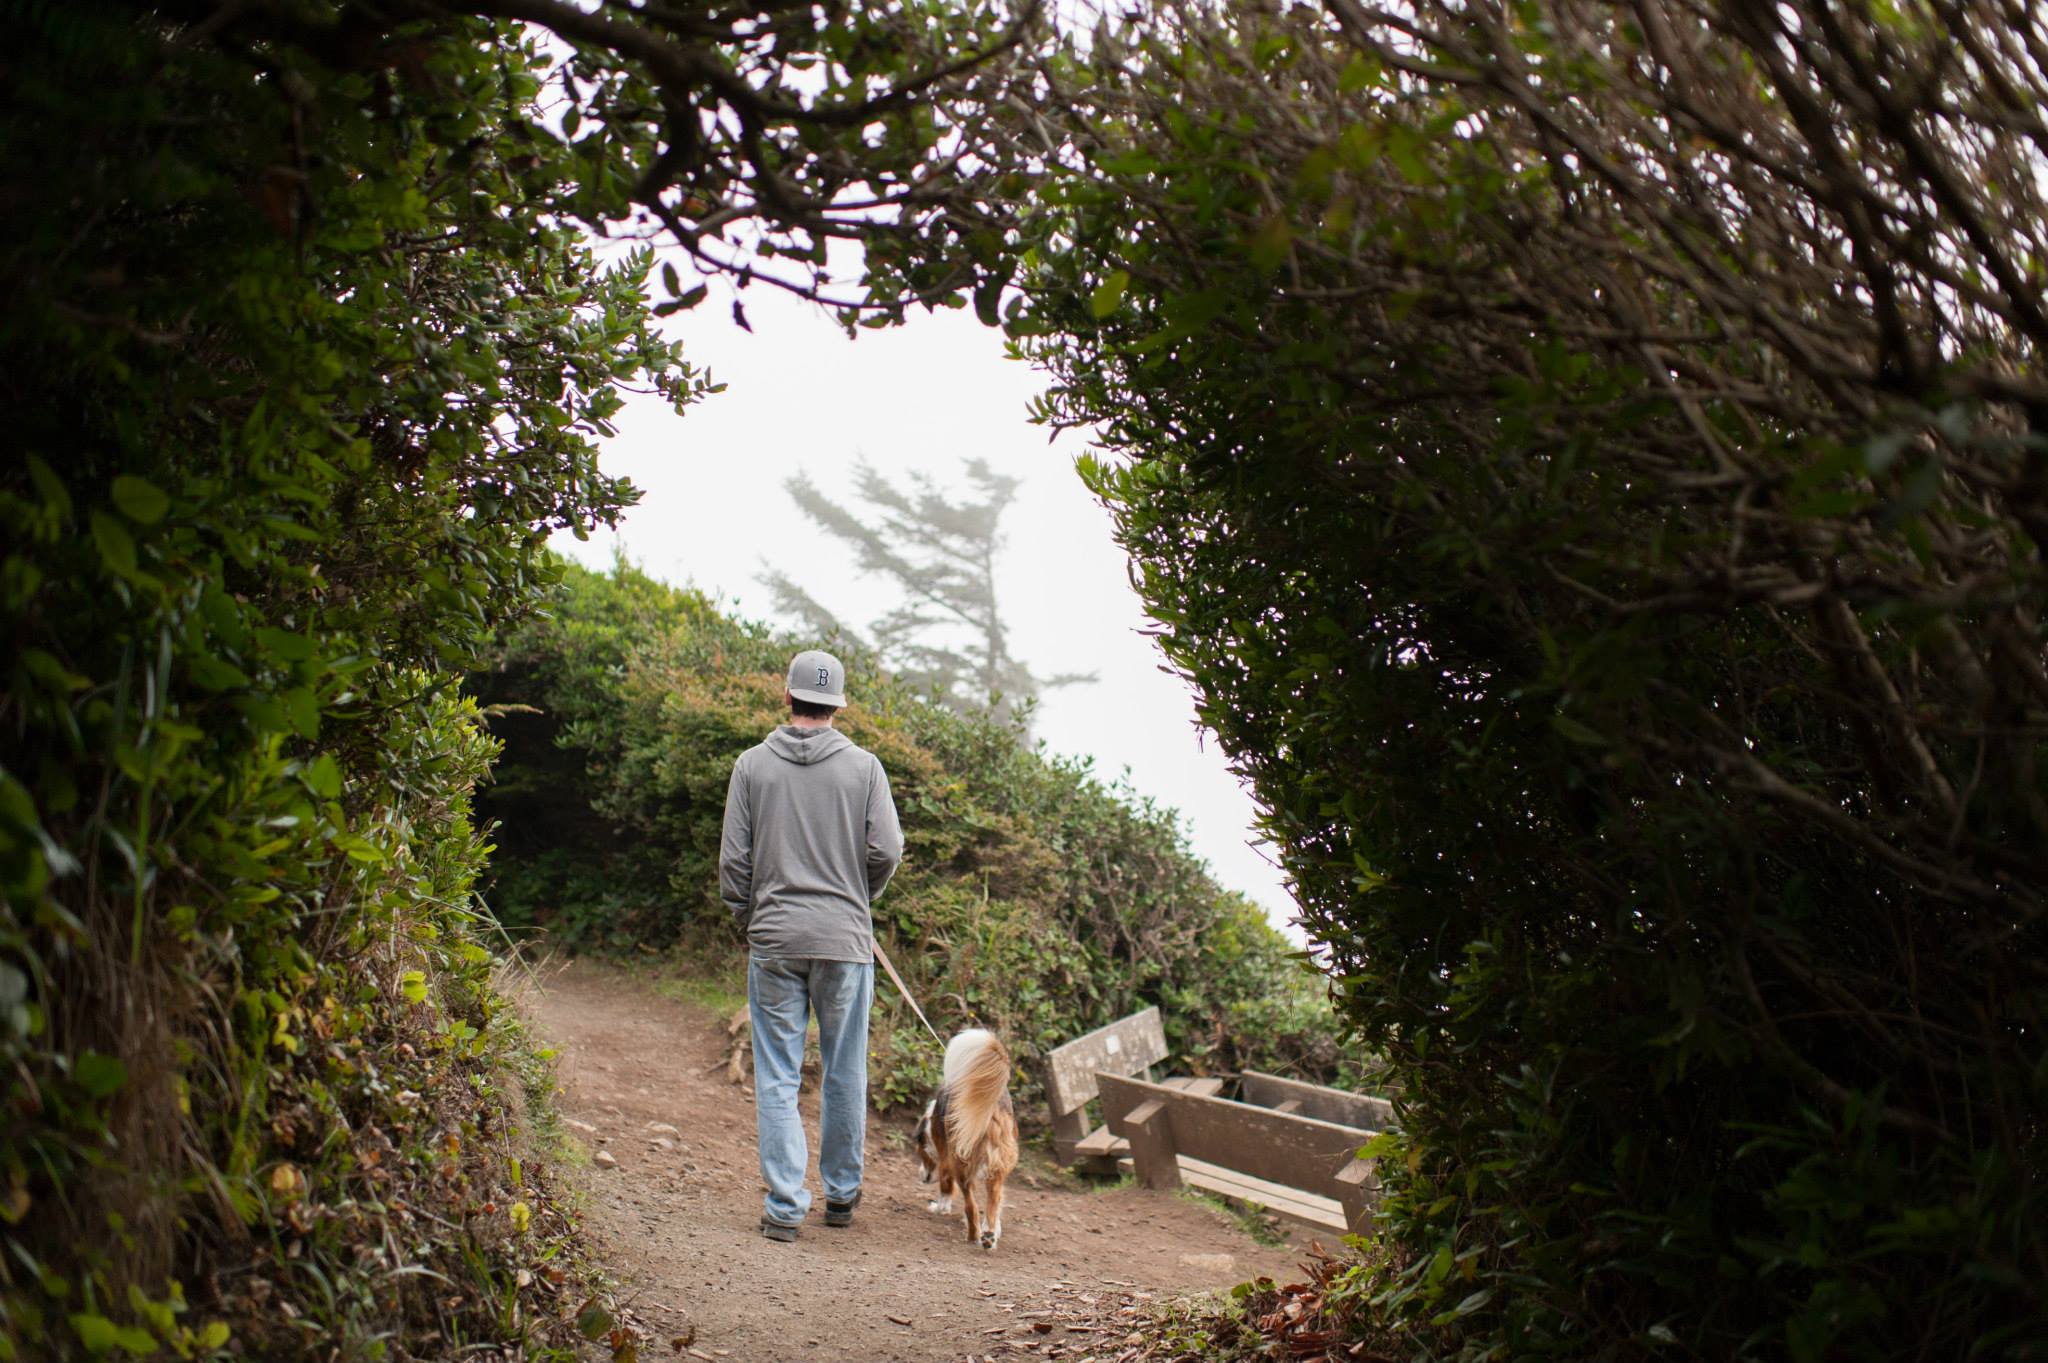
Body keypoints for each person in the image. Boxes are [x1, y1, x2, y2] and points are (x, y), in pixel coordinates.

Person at [719, 649, 904, 1241]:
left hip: (773, 938)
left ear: (788, 696)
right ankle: (842, 1197)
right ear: (837, 703)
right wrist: (857, 897)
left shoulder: (751, 767)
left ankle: (783, 1207)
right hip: (845, 941)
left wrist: (748, 915)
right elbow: (888, 851)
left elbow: (734, 862)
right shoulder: (865, 769)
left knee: (777, 1074)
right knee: (845, 1070)